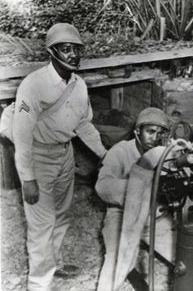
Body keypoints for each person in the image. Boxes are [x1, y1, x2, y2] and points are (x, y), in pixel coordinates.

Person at [13, 23, 107, 291]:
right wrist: (28, 178)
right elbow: (21, 134)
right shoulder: (34, 85)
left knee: (62, 215)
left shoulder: (79, 85)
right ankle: (38, 284)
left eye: (77, 49)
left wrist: (104, 154)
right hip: (38, 157)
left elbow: (83, 125)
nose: (73, 55)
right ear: (51, 52)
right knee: (41, 223)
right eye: (66, 49)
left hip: (64, 156)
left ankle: (55, 262)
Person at [95, 107, 193, 291]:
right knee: (116, 262)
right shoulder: (120, 151)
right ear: (137, 132)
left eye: (160, 133)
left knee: (187, 260)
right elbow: (102, 186)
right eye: (150, 132)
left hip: (156, 218)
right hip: (122, 216)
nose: (155, 138)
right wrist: (139, 189)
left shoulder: (167, 154)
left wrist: (186, 160)